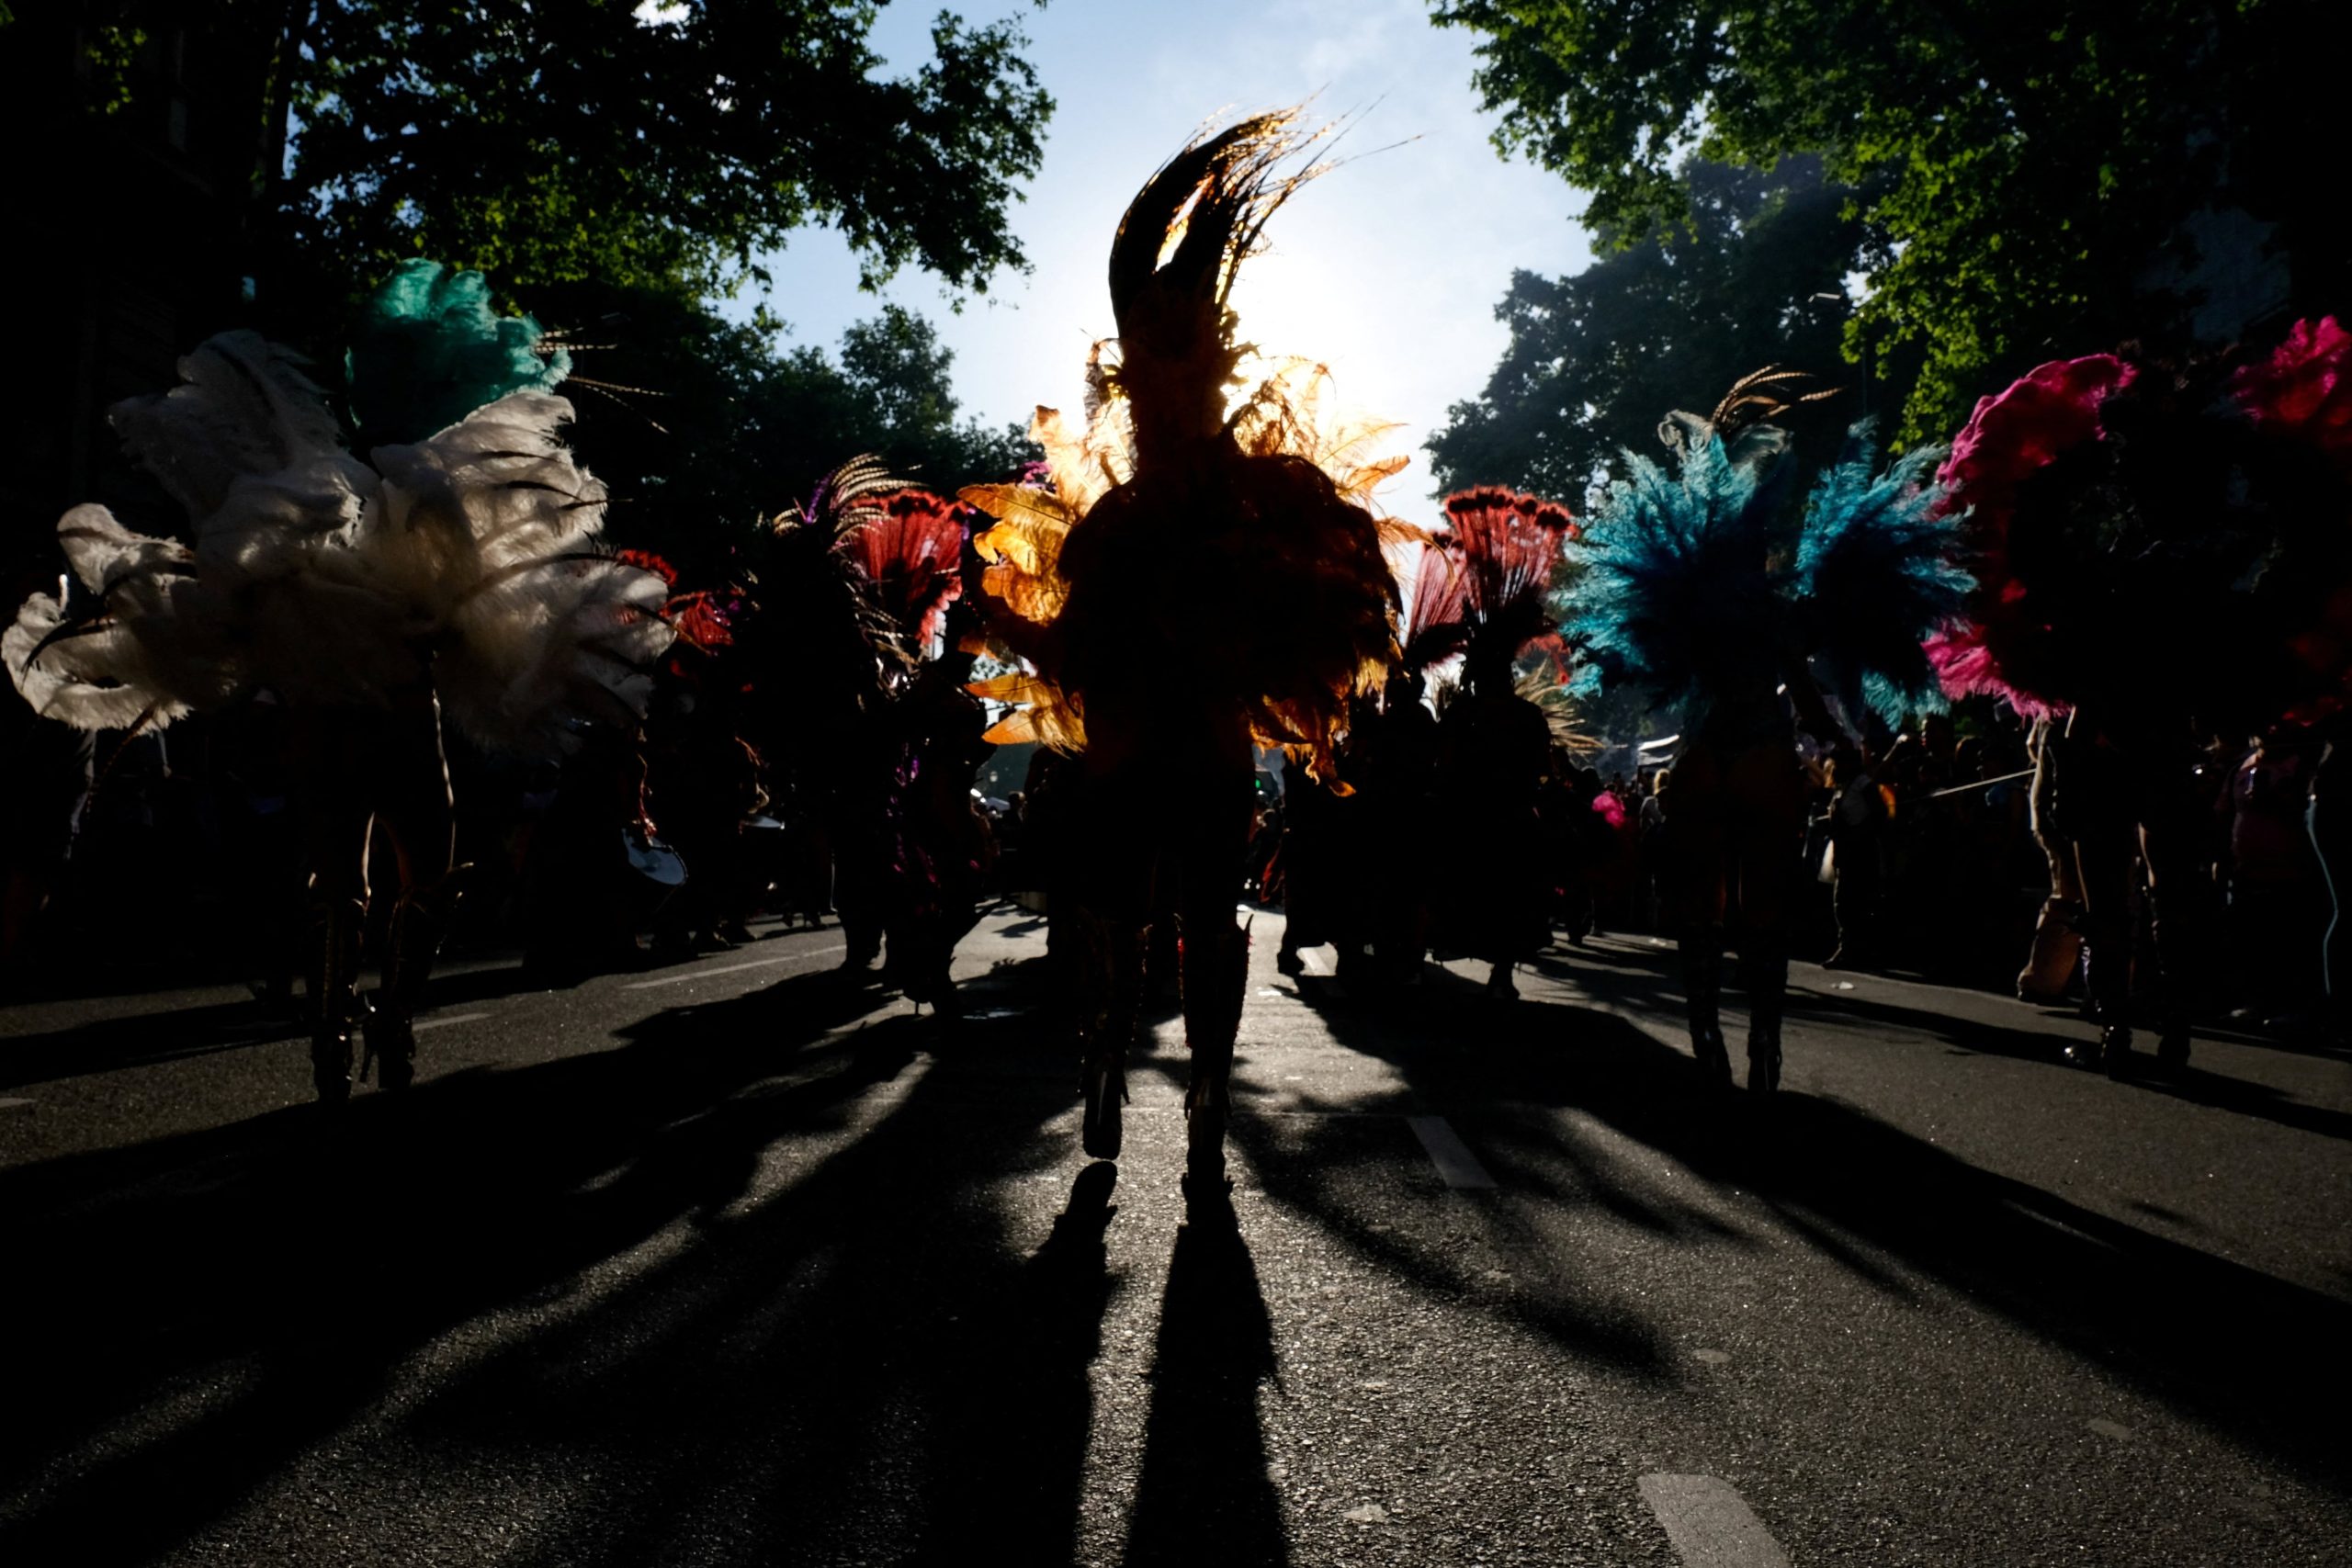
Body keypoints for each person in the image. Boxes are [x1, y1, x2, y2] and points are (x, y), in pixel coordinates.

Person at [6, 263, 674, 1098]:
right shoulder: (406, 517)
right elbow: (435, 628)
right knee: (428, 873)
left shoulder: (307, 516)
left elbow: (258, 629)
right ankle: (388, 1018)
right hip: (391, 721)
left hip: (320, 727)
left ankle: (333, 1023)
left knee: (340, 885)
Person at [964, 111, 1403, 1196]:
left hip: (1196, 759)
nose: (1155, 379)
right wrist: (1009, 623)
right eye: (1139, 362)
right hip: (1131, 764)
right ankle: (1109, 1054)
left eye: (1177, 355)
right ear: (1126, 381)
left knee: (1204, 920)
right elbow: (1072, 647)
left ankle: (1204, 1083)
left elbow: (1333, 608)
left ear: (1207, 367)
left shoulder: (1264, 502)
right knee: (1117, 918)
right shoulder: (1116, 523)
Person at [1563, 373, 1971, 1092]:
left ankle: (1705, 1035)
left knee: (1700, 910)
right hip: (1761, 756)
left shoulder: (1691, 611)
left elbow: (1643, 664)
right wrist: (1843, 743)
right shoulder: (1771, 614)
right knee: (1764, 915)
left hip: (1702, 761)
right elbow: (1806, 695)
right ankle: (1764, 1046)